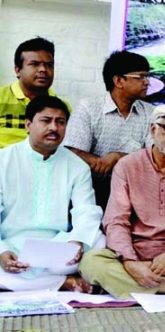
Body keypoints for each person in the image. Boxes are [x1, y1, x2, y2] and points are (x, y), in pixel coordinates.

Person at [79, 104, 165, 299]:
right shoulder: (127, 166)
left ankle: (132, 285)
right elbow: (116, 220)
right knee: (91, 262)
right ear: (153, 130)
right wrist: (130, 262)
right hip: (133, 251)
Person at [0, 96, 103, 292]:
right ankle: (64, 282)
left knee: (99, 240)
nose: (54, 128)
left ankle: (30, 283)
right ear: (28, 125)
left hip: (58, 247)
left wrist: (78, 240)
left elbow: (86, 210)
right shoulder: (3, 160)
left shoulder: (77, 166)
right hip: (11, 246)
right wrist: (2, 252)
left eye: (60, 122)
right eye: (46, 121)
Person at [64, 51, 155, 210]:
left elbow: (155, 157)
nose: (147, 82)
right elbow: (72, 151)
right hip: (90, 188)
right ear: (119, 80)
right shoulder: (89, 108)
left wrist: (119, 158)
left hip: (134, 191)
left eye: (147, 76)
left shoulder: (151, 113)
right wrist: (103, 164)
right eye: (141, 77)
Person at [1, 37, 60, 148]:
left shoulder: (60, 107)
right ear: (18, 70)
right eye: (34, 64)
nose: (43, 69)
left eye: (49, 65)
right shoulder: (1, 97)